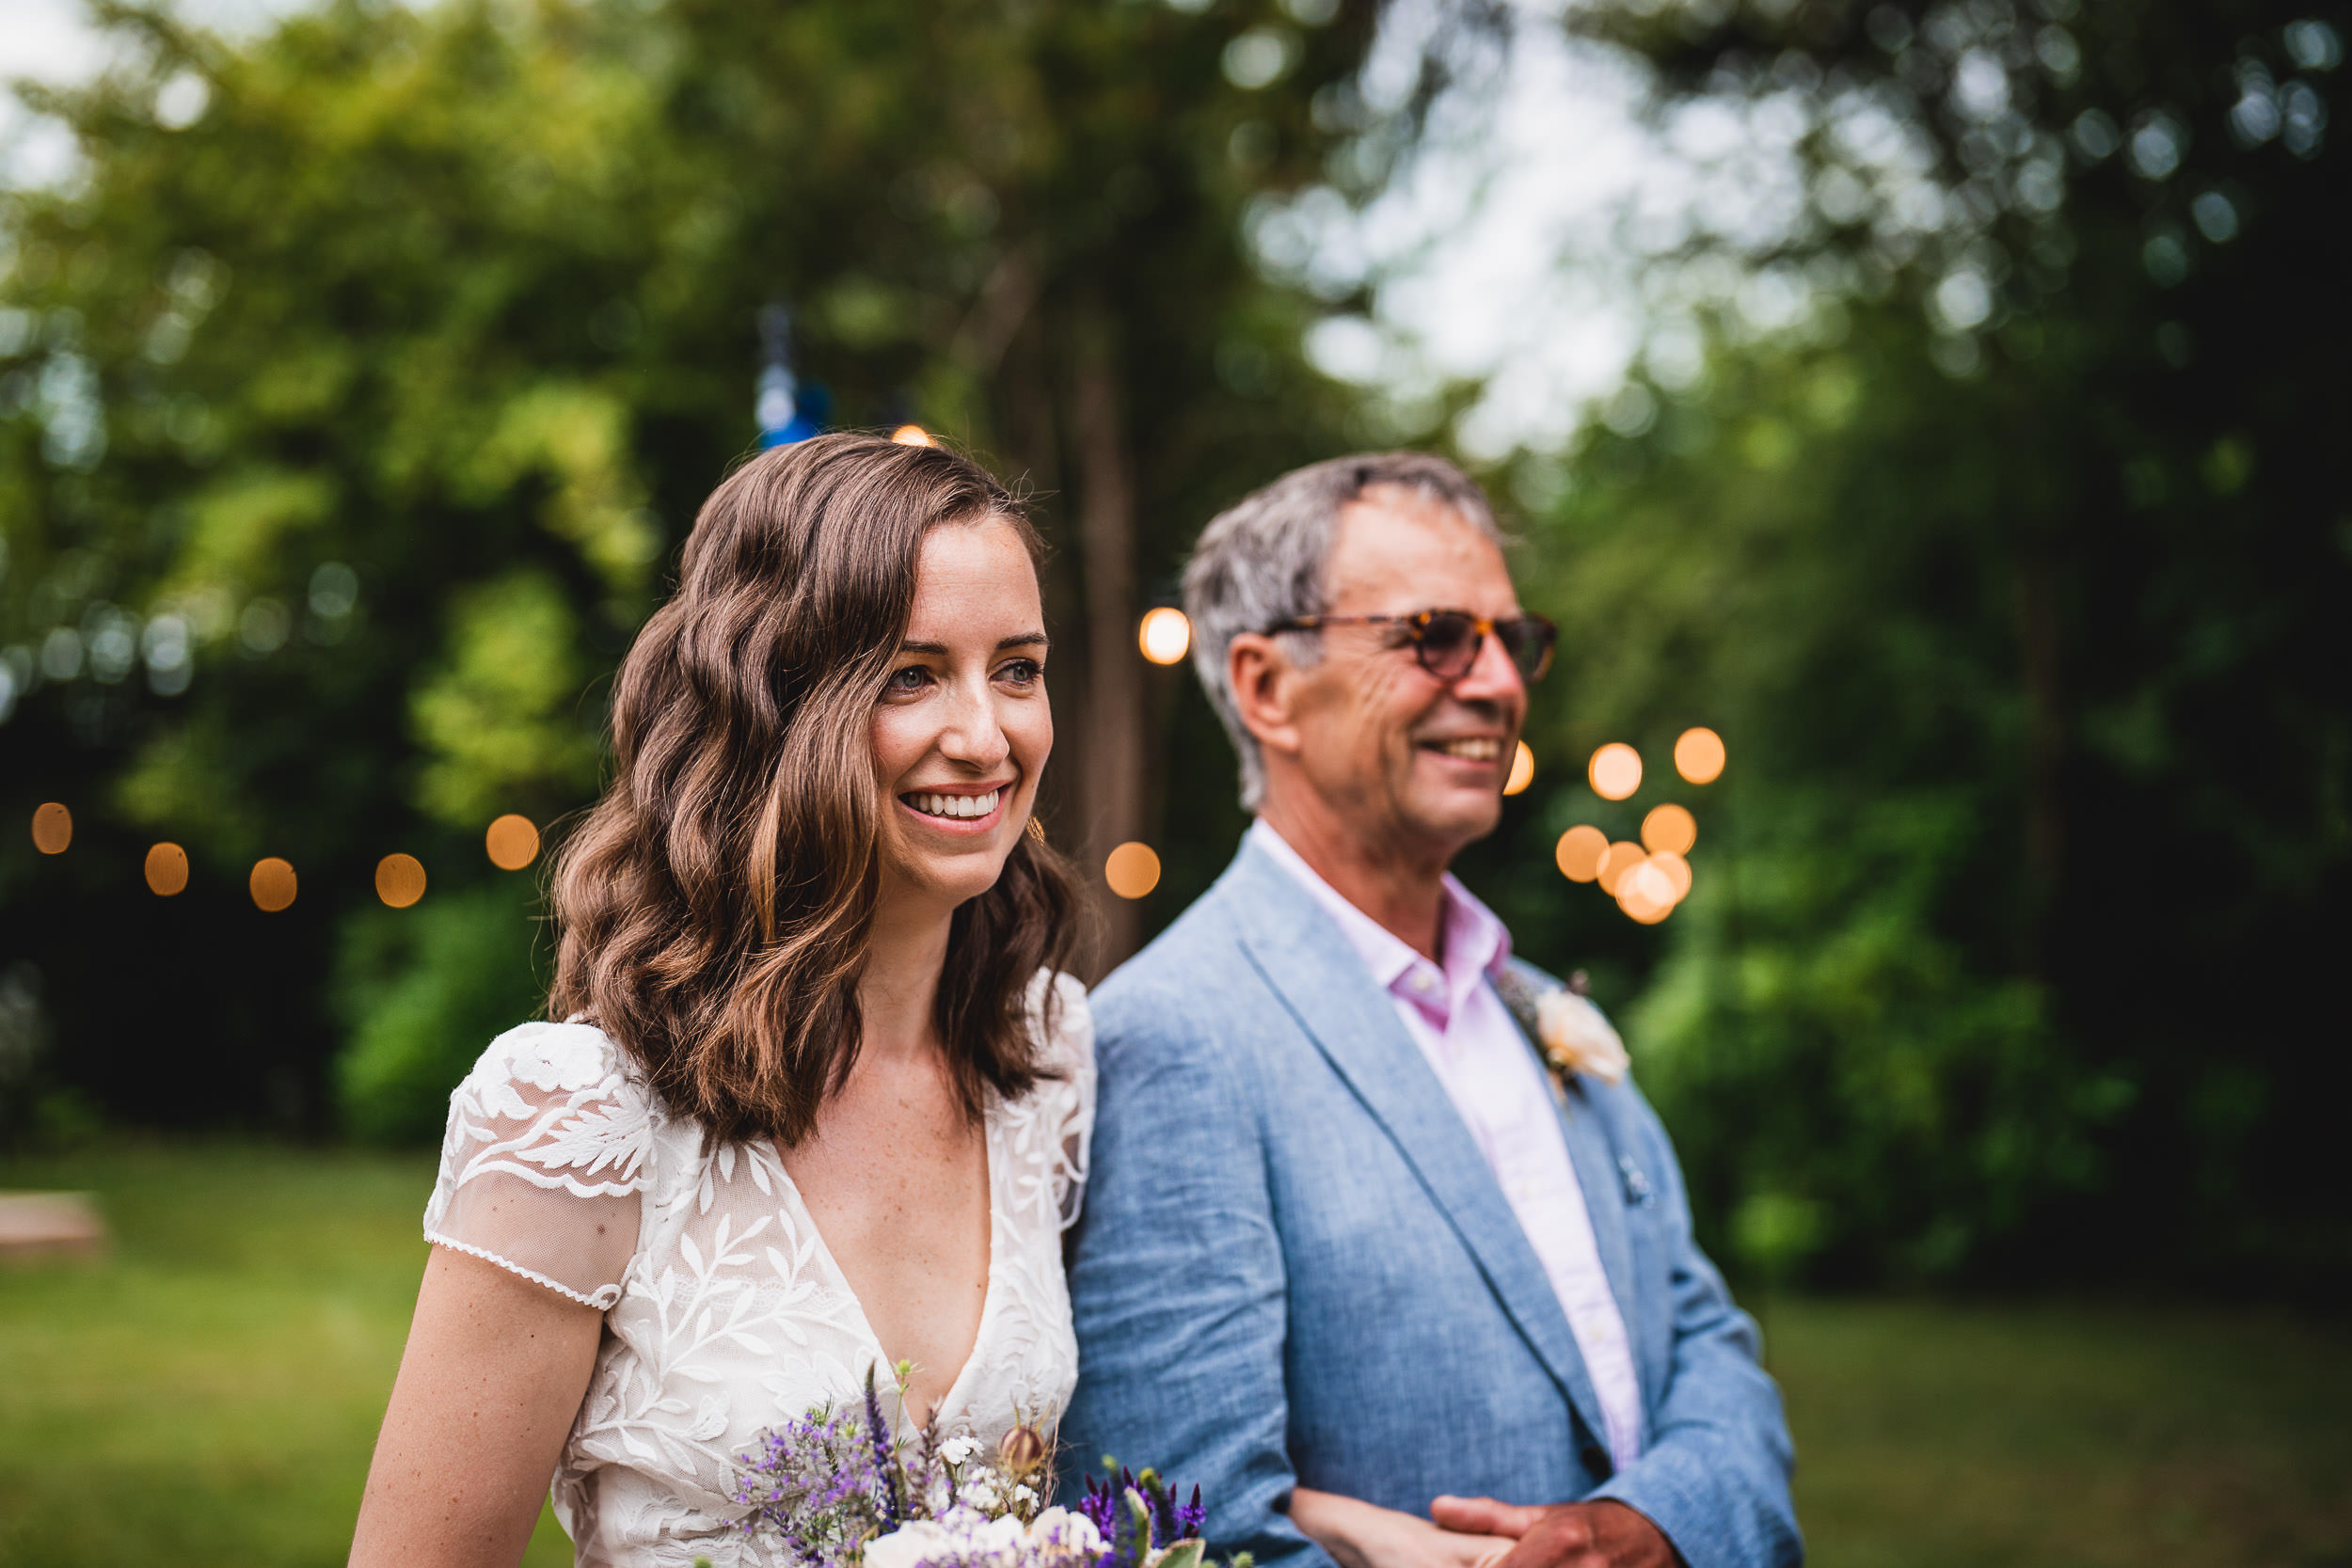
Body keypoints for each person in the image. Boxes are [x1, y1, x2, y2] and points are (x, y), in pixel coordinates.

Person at [351, 434, 1095, 1568]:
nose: (986, 737)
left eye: (1017, 668)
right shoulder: (577, 1113)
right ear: (776, 704)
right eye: (911, 673)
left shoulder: (1042, 1054)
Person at [1061, 454, 1801, 1568]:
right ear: (1268, 687)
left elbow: (1709, 1345)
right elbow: (1180, 1535)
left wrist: (1655, 1527)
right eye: (1436, 635)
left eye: (1515, 639)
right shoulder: (1176, 1034)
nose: (1500, 680)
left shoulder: (1540, 1004)